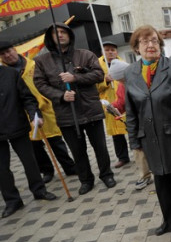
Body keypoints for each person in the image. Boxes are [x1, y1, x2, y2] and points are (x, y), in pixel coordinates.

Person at [124, 25, 171, 240]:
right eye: (145, 41)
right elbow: (131, 110)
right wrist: (134, 139)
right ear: (136, 48)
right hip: (149, 138)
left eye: (155, 41)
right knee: (162, 184)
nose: (151, 45)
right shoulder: (131, 72)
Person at [33, 23, 117, 195]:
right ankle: (86, 180)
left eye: (64, 32)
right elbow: (40, 84)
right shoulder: (42, 61)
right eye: (57, 33)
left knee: (100, 147)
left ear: (70, 35)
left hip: (90, 109)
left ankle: (106, 174)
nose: (61, 35)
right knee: (77, 151)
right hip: (66, 113)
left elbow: (98, 75)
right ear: (50, 38)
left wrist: (75, 77)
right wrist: (60, 96)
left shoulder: (85, 54)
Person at [0, 41, 76, 184]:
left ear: (15, 50)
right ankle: (47, 170)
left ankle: (69, 166)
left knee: (56, 141)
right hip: (23, 113)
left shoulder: (34, 65)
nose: (7, 55)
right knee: (35, 146)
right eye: (3, 54)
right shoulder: (4, 73)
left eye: (9, 51)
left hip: (45, 108)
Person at [0, 63, 58, 218]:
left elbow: (27, 97)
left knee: (30, 161)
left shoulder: (11, 73)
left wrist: (34, 115)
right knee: (1, 168)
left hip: (17, 124)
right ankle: (12, 201)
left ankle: (39, 190)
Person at [107, 59, 154, 190]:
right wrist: (113, 107)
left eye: (122, 79)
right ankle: (145, 176)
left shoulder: (144, 78)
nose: (122, 82)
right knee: (138, 150)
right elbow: (121, 103)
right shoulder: (122, 86)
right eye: (120, 80)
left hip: (150, 119)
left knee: (155, 146)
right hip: (135, 123)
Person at [97, 41, 130, 169]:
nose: (110, 52)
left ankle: (139, 152)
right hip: (110, 102)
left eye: (113, 50)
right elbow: (94, 87)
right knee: (117, 134)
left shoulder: (123, 63)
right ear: (102, 52)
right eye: (107, 50)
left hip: (124, 100)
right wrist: (105, 80)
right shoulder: (97, 66)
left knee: (131, 129)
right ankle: (122, 157)